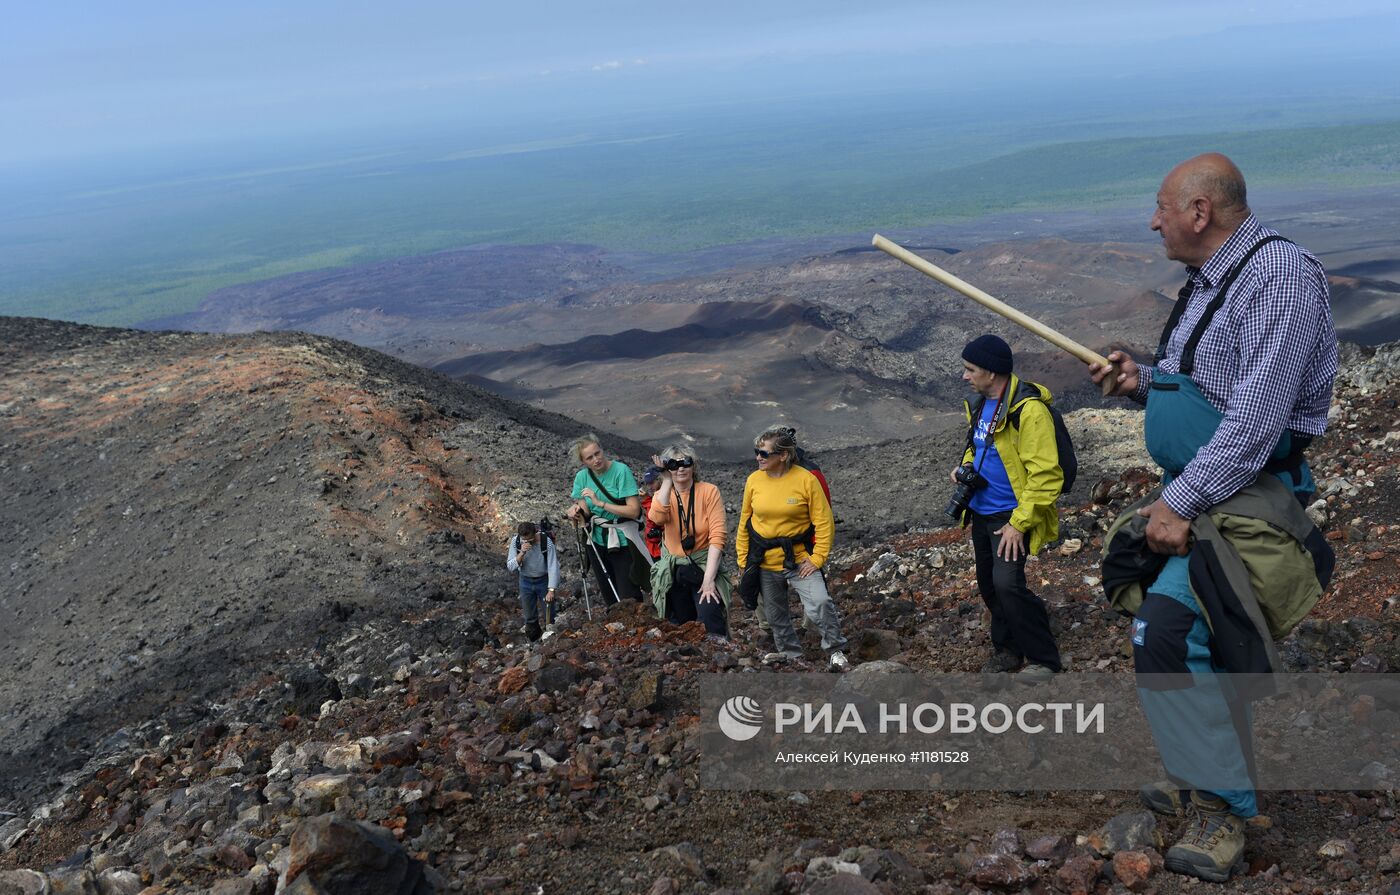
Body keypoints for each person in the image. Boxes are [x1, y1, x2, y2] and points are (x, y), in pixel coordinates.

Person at [1090, 152, 1338, 883]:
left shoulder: (1278, 277)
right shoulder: (1215, 280)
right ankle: (1203, 771)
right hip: (1211, 489)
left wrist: (1179, 499)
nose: (1153, 219)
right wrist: (1143, 383)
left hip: (1242, 498)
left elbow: (1257, 419)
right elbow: (1212, 387)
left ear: (1201, 211)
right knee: (1199, 628)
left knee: (1167, 626)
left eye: (1163, 206)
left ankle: (1222, 812)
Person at [953, 334, 1064, 684]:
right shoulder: (981, 404)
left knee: (1007, 585)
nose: (965, 376)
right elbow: (978, 446)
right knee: (989, 584)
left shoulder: (1027, 411)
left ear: (991, 371)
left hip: (1010, 515)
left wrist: (1019, 523)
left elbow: (1046, 475)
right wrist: (964, 467)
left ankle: (1044, 659)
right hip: (982, 511)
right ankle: (1008, 649)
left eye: (970, 370)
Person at [736, 426, 849, 671]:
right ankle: (790, 654)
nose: (758, 457)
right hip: (765, 559)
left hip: (799, 558)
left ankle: (835, 650)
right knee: (776, 615)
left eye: (764, 454)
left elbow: (824, 521)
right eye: (757, 452)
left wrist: (818, 557)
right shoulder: (753, 480)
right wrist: (743, 559)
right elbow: (745, 520)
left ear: (783, 455)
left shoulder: (806, 480)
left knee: (819, 602)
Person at [646, 447, 730, 638]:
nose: (681, 468)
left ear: (694, 465)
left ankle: (718, 652)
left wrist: (709, 581)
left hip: (702, 565)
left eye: (686, 462)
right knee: (681, 623)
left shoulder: (709, 492)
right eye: (674, 464)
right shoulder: (662, 495)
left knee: (709, 615)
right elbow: (656, 518)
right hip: (674, 569)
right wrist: (667, 480)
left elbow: (718, 536)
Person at [564, 434, 644, 604]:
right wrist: (575, 512)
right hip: (596, 541)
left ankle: (636, 626)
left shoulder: (621, 471)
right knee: (609, 593)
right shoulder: (582, 478)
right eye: (590, 457)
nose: (596, 459)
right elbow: (585, 514)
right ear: (583, 461)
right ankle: (616, 627)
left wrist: (600, 503)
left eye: (597, 453)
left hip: (622, 540)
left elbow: (634, 511)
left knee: (628, 594)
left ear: (602, 450)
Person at [505, 521, 559, 641]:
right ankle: (534, 641)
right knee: (529, 616)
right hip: (525, 581)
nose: (528, 542)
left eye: (530, 539)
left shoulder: (546, 542)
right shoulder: (516, 541)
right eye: (525, 540)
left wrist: (551, 589)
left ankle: (551, 640)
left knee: (549, 614)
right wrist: (522, 552)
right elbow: (511, 566)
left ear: (535, 533)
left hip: (543, 580)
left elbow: (553, 566)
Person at [639, 466, 665, 561]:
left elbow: (654, 519)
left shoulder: (665, 497)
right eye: (648, 483)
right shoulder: (655, 497)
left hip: (661, 548)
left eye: (652, 482)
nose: (650, 486)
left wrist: (646, 500)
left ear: (660, 479)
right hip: (654, 546)